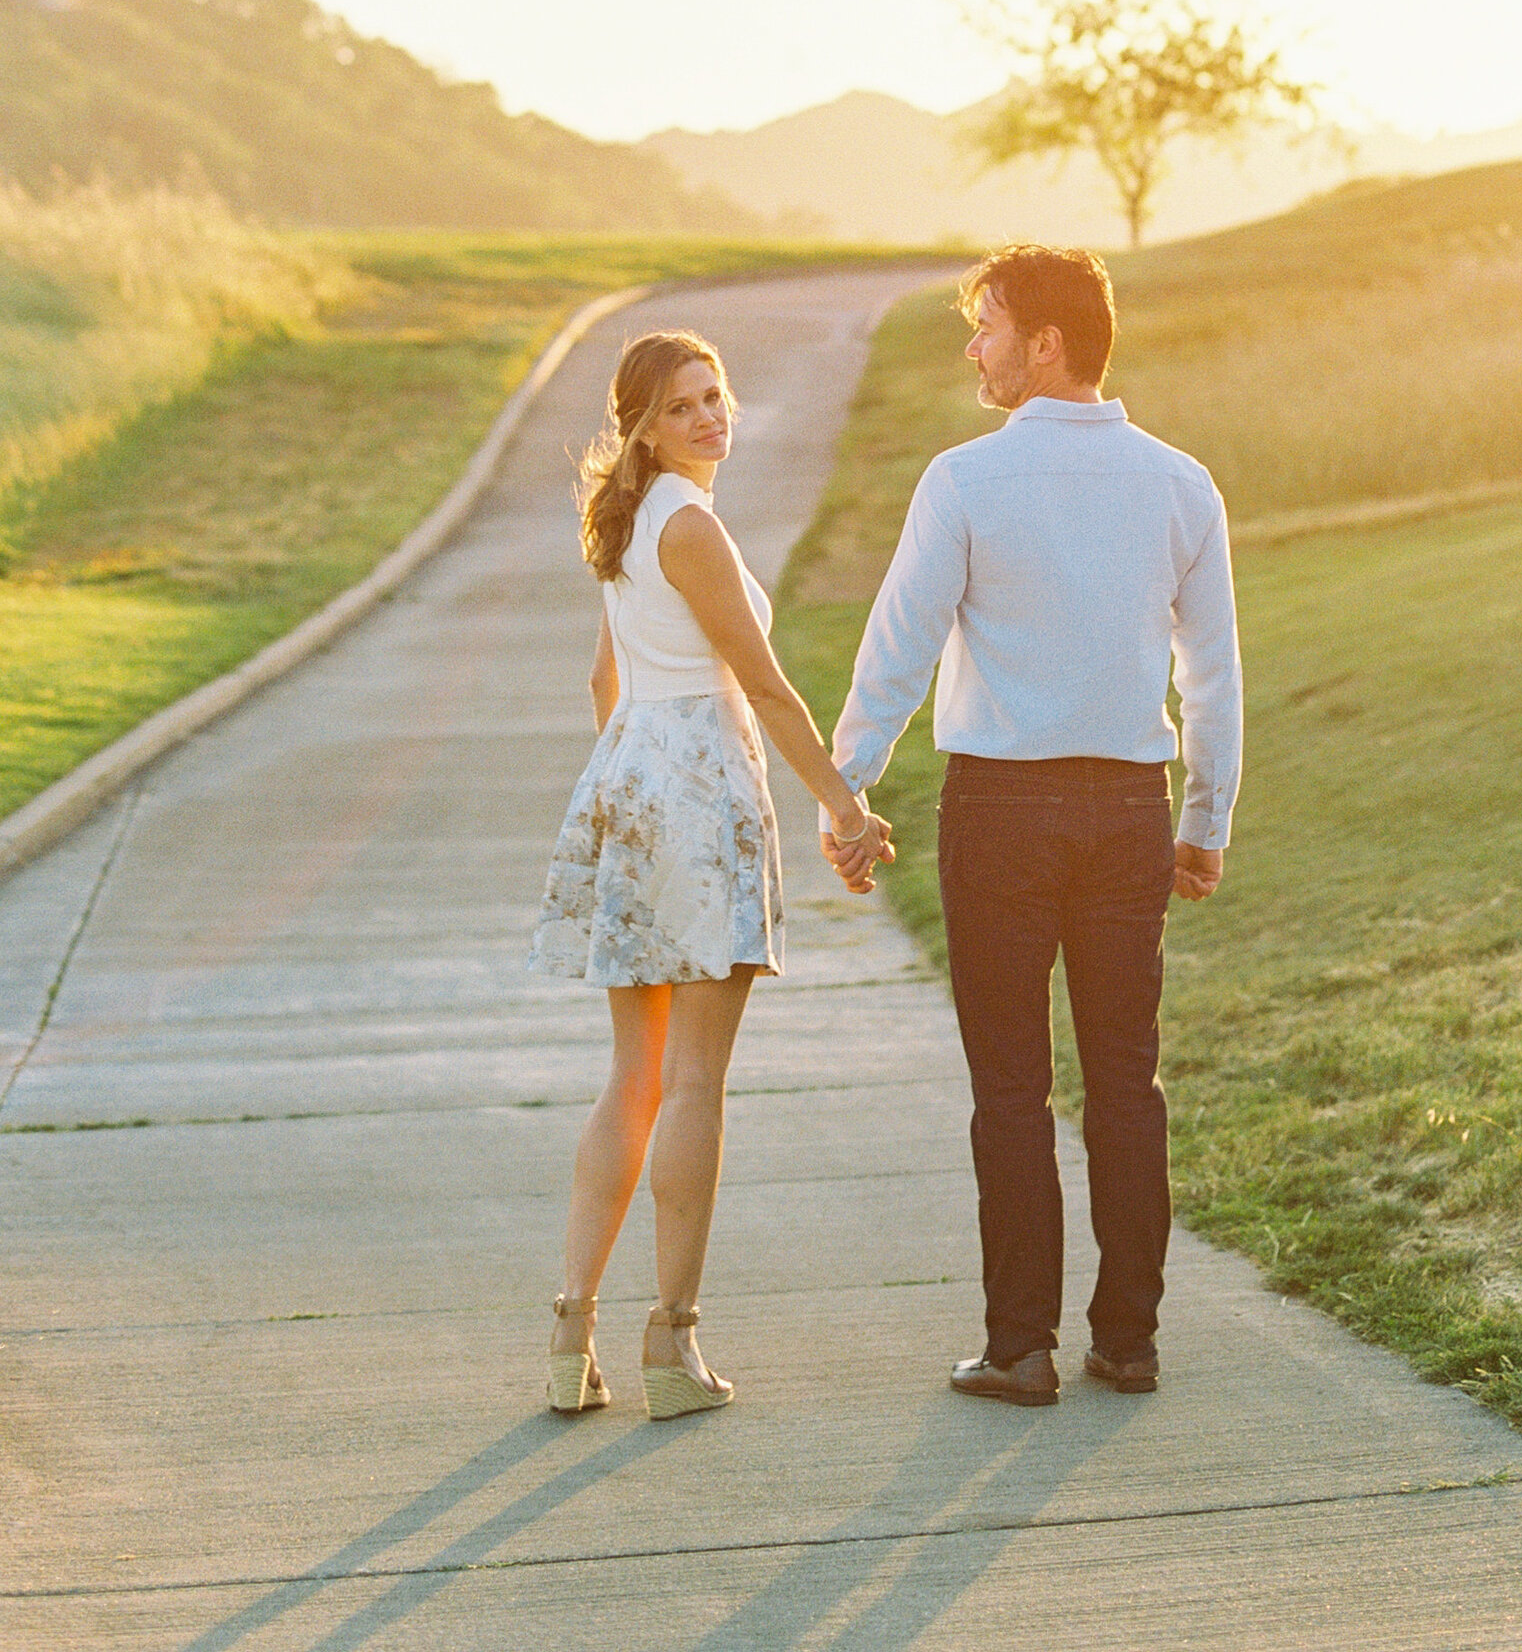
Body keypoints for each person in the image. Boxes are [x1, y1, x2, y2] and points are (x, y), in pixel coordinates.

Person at [828, 246, 1240, 1405]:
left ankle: (1019, 1348)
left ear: (1044, 343)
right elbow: (1210, 676)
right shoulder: (1180, 484)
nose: (974, 347)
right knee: (1126, 1082)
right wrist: (1202, 817)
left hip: (1002, 814)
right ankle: (1130, 1339)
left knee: (1010, 1087)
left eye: (987, 325)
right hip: (1127, 812)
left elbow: (896, 654)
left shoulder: (963, 482)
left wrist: (844, 795)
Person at [529, 326, 893, 1418]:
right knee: (691, 1083)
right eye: (683, 405)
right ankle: (670, 1343)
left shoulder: (629, 520)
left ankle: (568, 1336)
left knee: (634, 1079)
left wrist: (629, 785)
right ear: (641, 424)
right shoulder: (687, 525)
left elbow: (605, 677)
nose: (709, 416)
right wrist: (845, 807)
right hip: (695, 787)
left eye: (716, 395)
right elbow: (769, 688)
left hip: (634, 778)